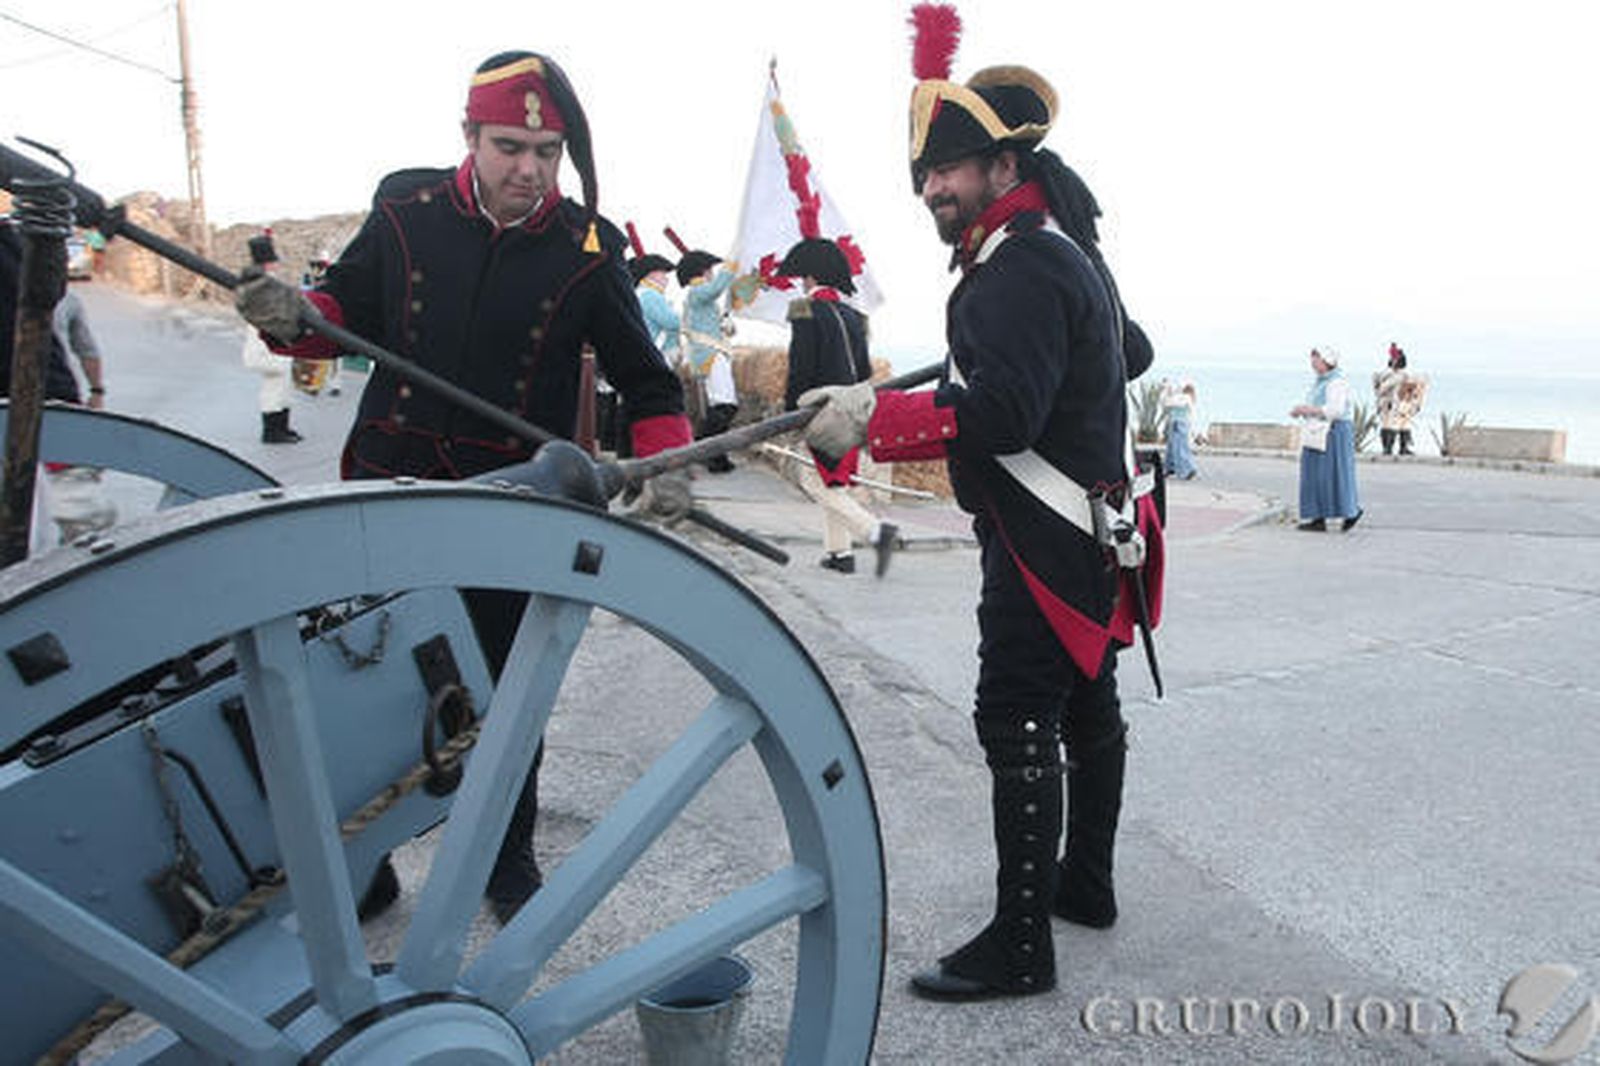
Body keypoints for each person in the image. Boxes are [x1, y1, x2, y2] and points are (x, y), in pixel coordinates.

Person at [234, 49, 694, 923]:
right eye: (511, 146)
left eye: (548, 151)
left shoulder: (589, 250)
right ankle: (365, 857)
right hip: (388, 488)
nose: (530, 170)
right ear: (469, 138)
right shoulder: (405, 212)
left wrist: (662, 464)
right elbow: (338, 316)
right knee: (361, 681)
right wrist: (295, 321)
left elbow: (652, 385)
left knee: (506, 695)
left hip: (509, 509)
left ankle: (505, 857)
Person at [799, 20, 1162, 1001]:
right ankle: (1083, 887)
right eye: (923, 176)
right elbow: (1128, 353)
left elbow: (1002, 412)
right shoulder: (1055, 251)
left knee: (1013, 715)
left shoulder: (1020, 266)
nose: (931, 191)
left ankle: (1020, 943)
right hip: (1090, 524)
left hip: (1045, 536)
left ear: (1003, 163)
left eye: (948, 170)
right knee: (1086, 706)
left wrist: (874, 418)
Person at [779, 236, 898, 576]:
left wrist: (792, 411)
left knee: (815, 482)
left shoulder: (802, 308)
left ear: (811, 276)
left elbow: (800, 365)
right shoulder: (854, 315)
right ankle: (839, 554)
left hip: (822, 409)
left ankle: (876, 532)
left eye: (803, 275)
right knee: (836, 482)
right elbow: (863, 371)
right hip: (855, 408)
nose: (801, 281)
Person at [48, 278, 117, 540]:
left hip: (55, 407)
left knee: (79, 509)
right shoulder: (64, 297)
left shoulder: (66, 299)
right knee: (80, 510)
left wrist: (97, 391)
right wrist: (96, 392)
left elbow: (87, 350)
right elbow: (87, 350)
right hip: (53, 406)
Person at [677, 246, 738, 472]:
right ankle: (708, 453)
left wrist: (725, 325)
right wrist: (731, 265)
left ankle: (711, 453)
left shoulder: (700, 294)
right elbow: (716, 288)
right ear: (702, 271)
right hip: (710, 354)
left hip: (714, 352)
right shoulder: (698, 291)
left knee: (723, 405)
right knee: (725, 405)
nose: (713, 272)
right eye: (710, 269)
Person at [239, 231, 303, 444]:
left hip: (271, 342)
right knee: (275, 387)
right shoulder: (262, 283)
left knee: (282, 386)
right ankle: (273, 431)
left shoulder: (258, 281)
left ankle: (282, 427)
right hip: (265, 344)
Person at [1291, 346, 1362, 531]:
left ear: (1326, 361)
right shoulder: (1321, 382)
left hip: (1333, 432)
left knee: (1334, 475)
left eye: (1316, 359)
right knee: (1316, 476)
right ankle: (1318, 517)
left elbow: (1336, 410)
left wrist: (1307, 410)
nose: (1312, 363)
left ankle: (1350, 511)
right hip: (1320, 431)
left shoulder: (1336, 382)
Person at [1373, 342, 1426, 456]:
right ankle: (1399, 447)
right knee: (1400, 424)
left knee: (1392, 424)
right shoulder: (1404, 376)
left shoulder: (1394, 376)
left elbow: (1380, 389)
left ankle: (1392, 448)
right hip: (1395, 404)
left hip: (1394, 404)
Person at [1159, 377, 1198, 480]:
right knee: (1172, 448)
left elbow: (1167, 403)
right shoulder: (1183, 398)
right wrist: (1167, 390)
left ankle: (1188, 470)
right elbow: (1165, 403)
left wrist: (1166, 389)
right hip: (1176, 424)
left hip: (1179, 424)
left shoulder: (1185, 398)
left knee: (1180, 448)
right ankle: (1169, 468)